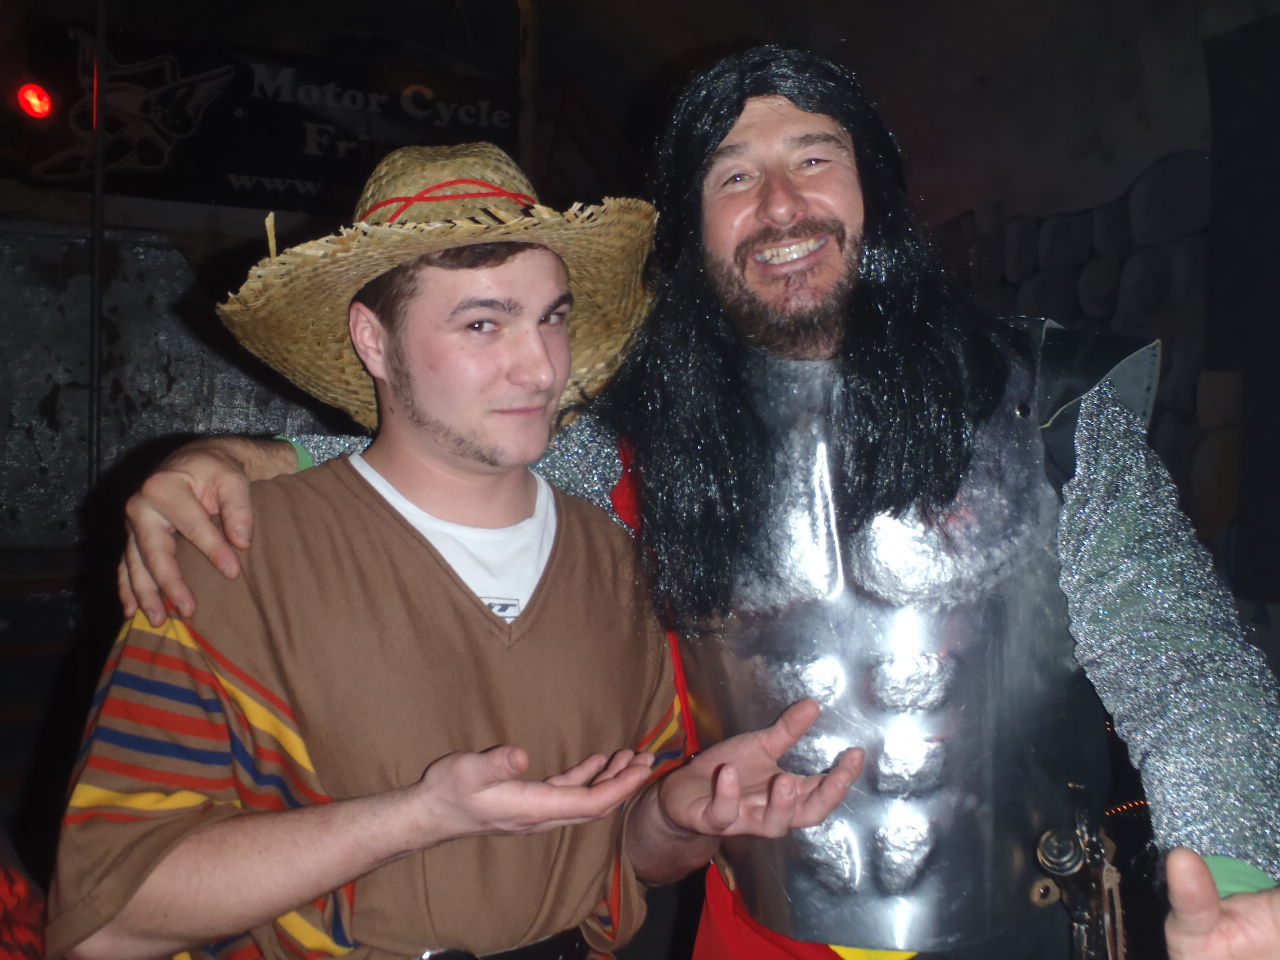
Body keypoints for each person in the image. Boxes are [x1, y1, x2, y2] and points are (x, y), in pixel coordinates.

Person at [114, 49, 1280, 960]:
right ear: (694, 226)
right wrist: (250, 455)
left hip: (1019, 930)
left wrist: (1232, 879)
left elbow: (1183, 666)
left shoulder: (1046, 404)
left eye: (812, 157)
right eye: (732, 176)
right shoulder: (642, 437)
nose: (778, 204)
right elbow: (450, 458)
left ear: (873, 187)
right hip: (753, 935)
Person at [47, 141, 863, 960]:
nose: (539, 368)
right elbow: (106, 921)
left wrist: (680, 818)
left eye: (551, 317)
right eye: (483, 324)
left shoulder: (621, 569)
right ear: (374, 341)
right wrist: (419, 817)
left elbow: (624, 861)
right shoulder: (233, 557)